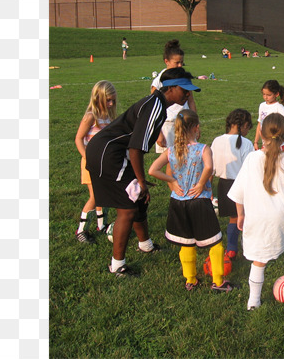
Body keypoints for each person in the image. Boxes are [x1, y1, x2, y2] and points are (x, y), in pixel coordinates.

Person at [85, 68, 201, 277]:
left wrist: (139, 182)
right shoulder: (155, 106)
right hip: (109, 154)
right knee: (128, 208)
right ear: (172, 88)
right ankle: (117, 265)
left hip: (112, 152)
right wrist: (141, 180)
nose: (187, 95)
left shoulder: (157, 105)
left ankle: (145, 244)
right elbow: (135, 148)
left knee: (138, 198)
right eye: (184, 90)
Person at [228, 113, 284, 314]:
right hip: (283, 218)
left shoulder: (251, 159)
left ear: (262, 134)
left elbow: (239, 192)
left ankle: (253, 302)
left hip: (257, 219)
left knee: (259, 259)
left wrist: (240, 215)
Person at [148, 109, 233, 292]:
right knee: (215, 243)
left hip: (178, 203)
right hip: (199, 201)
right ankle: (218, 282)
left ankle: (191, 280)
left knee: (186, 243)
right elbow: (209, 166)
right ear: (196, 127)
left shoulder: (171, 151)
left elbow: (152, 170)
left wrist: (171, 181)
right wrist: (201, 183)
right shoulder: (203, 148)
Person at [73, 80, 117, 243]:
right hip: (90, 164)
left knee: (103, 194)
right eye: (108, 100)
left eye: (113, 100)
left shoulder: (109, 117)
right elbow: (78, 139)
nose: (111, 103)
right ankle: (81, 231)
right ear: (97, 98)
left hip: (103, 164)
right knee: (95, 196)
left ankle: (102, 225)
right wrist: (87, 158)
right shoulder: (91, 116)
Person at [211, 109, 255, 260]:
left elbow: (211, 167)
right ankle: (234, 247)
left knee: (234, 217)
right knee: (242, 216)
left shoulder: (217, 140)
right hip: (241, 184)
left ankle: (232, 248)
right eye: (249, 127)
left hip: (223, 185)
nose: (249, 130)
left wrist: (208, 187)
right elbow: (250, 169)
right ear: (243, 125)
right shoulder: (247, 144)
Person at [151, 40, 197, 154]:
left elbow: (191, 101)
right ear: (166, 61)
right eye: (177, 62)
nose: (180, 65)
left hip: (184, 123)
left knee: (188, 156)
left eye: (182, 62)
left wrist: (196, 124)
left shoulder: (184, 77)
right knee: (170, 160)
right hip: (168, 125)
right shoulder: (159, 80)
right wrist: (158, 133)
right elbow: (153, 108)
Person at [254, 80, 284, 151]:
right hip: (266, 143)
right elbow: (260, 123)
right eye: (264, 94)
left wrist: (278, 141)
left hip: (279, 144)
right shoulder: (262, 106)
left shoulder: (279, 108)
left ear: (276, 94)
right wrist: (256, 141)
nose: (265, 97)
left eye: (269, 95)